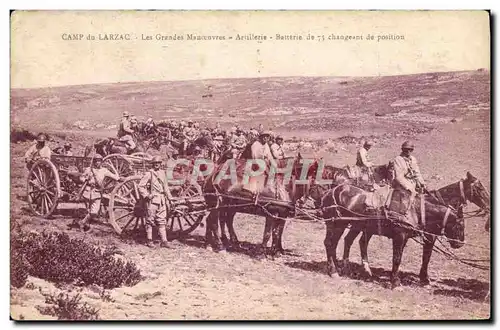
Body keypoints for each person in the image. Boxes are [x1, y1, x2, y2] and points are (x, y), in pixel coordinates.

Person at [69, 154, 120, 231]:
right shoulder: (89, 169)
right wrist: (86, 179)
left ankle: (82, 222)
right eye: (96, 161)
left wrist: (112, 168)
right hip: (87, 192)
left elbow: (116, 177)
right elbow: (81, 177)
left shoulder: (104, 170)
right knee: (88, 211)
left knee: (94, 212)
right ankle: (85, 225)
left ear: (101, 162)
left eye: (99, 161)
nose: (97, 163)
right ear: (93, 162)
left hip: (97, 192)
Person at [138, 156, 173, 248]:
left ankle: (164, 241)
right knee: (150, 220)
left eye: (158, 163)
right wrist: (147, 195)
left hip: (162, 199)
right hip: (153, 200)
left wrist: (170, 198)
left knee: (162, 220)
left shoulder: (162, 173)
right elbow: (141, 186)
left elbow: (166, 187)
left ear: (161, 164)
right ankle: (149, 240)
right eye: (155, 163)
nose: (157, 164)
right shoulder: (149, 174)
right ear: (152, 164)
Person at [391, 141, 426, 216]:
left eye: (410, 149)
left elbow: (417, 172)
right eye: (406, 149)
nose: (408, 151)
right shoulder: (398, 159)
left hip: (413, 182)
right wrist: (409, 187)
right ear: (402, 149)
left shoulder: (413, 159)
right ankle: (405, 215)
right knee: (407, 200)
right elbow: (399, 177)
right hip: (402, 184)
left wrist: (422, 183)